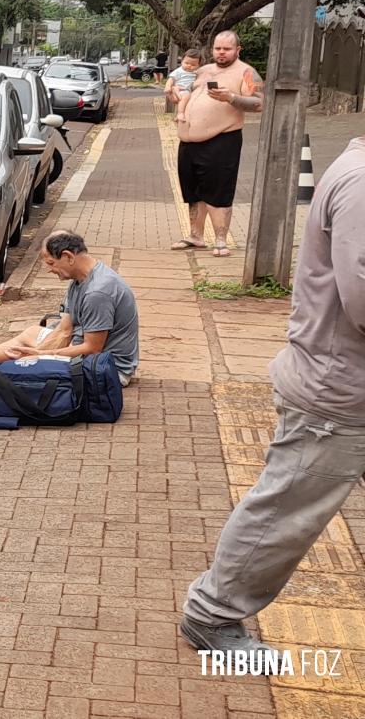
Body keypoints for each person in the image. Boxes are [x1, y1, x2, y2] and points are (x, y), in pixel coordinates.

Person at [180, 134, 365, 661]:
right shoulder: (362, 182)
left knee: (287, 506)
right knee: (285, 512)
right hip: (338, 392)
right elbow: (362, 297)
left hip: (344, 382)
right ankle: (212, 614)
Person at [0, 230, 140, 385]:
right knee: (31, 335)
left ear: (68, 257)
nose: (49, 269)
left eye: (51, 263)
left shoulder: (98, 292)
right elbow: (64, 330)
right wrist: (37, 355)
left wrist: (40, 356)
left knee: (20, 372)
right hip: (80, 348)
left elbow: (92, 349)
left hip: (105, 370)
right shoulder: (79, 280)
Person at [172, 31, 264, 258]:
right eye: (217, 48)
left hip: (222, 139)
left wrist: (231, 97)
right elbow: (188, 94)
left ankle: (221, 240)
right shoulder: (203, 71)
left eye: (227, 49)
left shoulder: (246, 72)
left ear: (237, 50)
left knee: (218, 190)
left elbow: (259, 103)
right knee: (193, 191)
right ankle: (196, 235)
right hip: (189, 141)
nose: (221, 53)